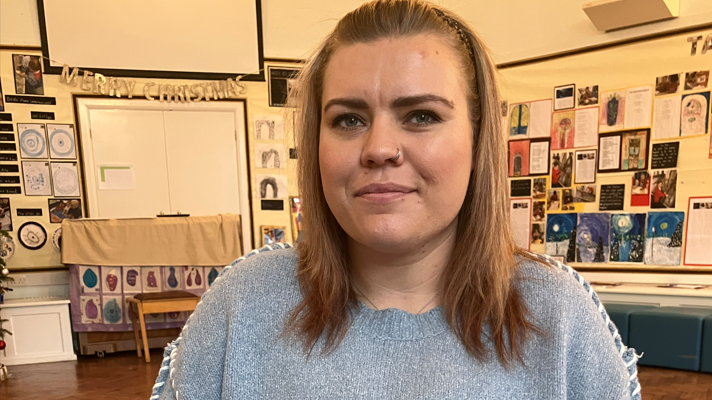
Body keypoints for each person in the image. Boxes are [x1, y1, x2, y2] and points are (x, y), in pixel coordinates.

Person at [152, 1, 639, 399]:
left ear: (478, 141)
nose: (379, 148)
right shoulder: (242, 306)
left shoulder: (558, 317)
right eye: (348, 119)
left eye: (421, 115)